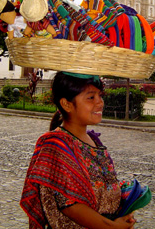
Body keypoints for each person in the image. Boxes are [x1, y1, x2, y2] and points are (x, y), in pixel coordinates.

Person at [20, 71, 137, 229]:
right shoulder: (56, 146)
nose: (100, 102)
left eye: (100, 96)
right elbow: (71, 205)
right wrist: (112, 227)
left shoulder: (94, 140)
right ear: (66, 104)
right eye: (91, 97)